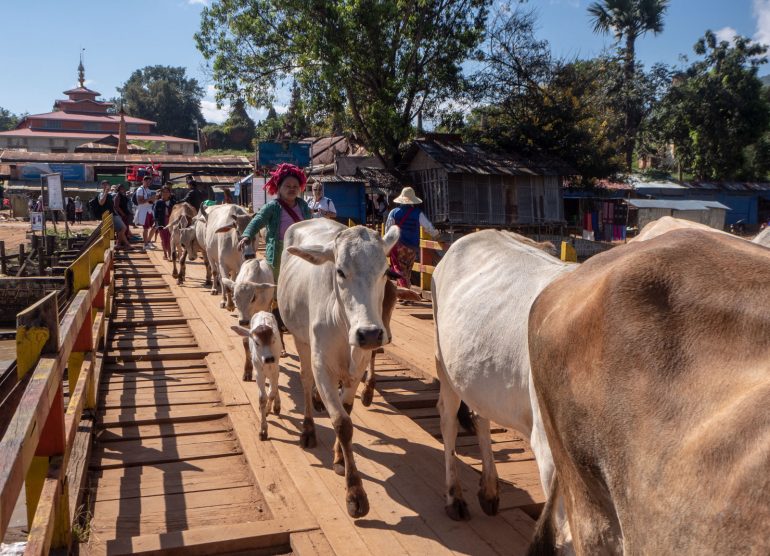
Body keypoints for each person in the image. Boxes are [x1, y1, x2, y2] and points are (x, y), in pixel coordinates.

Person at [237, 163, 311, 281]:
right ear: (279, 188)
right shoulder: (272, 206)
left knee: (299, 281)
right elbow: (258, 220)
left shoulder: (304, 206)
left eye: (295, 186)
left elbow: (311, 224)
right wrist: (247, 235)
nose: (292, 189)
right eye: (287, 186)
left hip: (301, 250)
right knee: (277, 282)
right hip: (278, 251)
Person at [385, 186, 440, 289]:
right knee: (407, 272)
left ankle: (404, 292)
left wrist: (387, 246)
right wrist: (436, 235)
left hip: (398, 248)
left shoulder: (394, 212)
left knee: (400, 272)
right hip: (412, 249)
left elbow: (388, 231)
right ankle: (405, 290)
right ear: (413, 200)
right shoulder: (417, 213)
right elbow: (428, 227)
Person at [96, 180, 131, 249]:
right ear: (102, 186)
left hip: (114, 214)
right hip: (108, 215)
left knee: (122, 229)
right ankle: (124, 244)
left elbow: (113, 206)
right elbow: (101, 203)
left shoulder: (110, 194)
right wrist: (105, 193)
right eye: (104, 185)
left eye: (107, 185)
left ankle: (122, 244)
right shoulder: (101, 194)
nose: (106, 186)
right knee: (121, 228)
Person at [153, 186, 177, 260]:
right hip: (161, 222)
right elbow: (155, 214)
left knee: (170, 238)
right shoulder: (158, 202)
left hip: (171, 222)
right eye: (163, 192)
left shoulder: (173, 202)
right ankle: (165, 254)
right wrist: (156, 223)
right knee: (163, 239)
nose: (165, 193)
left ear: (170, 193)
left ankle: (170, 254)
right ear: (161, 193)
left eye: (167, 192)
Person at [133, 175, 155, 249]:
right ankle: (145, 244)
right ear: (143, 181)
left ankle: (148, 241)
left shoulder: (148, 189)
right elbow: (140, 201)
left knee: (154, 226)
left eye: (149, 181)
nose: (148, 183)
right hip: (143, 211)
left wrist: (154, 199)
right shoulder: (140, 189)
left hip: (149, 210)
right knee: (145, 228)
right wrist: (150, 199)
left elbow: (150, 201)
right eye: (146, 181)